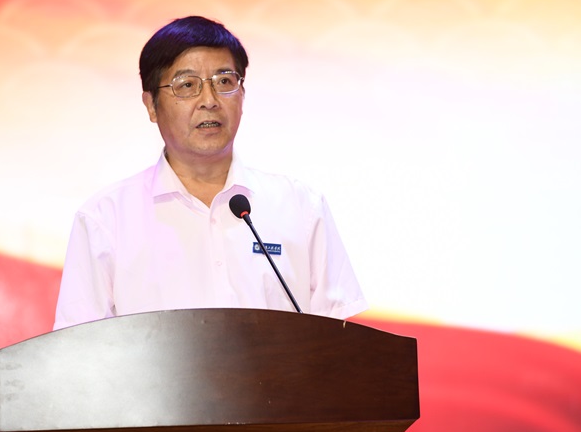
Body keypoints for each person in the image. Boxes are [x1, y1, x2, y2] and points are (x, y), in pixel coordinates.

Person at [53, 16, 366, 330]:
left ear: (242, 96)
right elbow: (77, 347)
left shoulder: (300, 207)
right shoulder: (105, 219)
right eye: (187, 85)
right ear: (151, 105)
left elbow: (339, 340)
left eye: (224, 82)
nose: (209, 101)